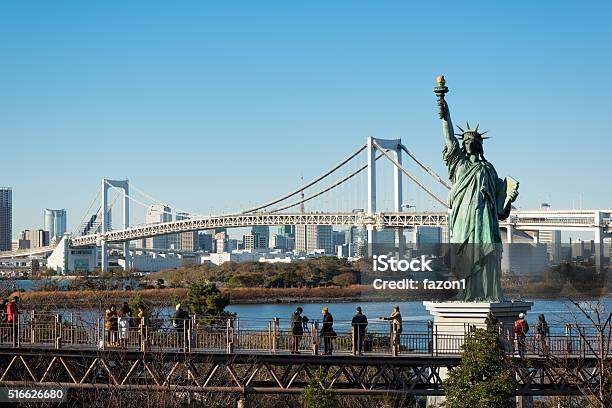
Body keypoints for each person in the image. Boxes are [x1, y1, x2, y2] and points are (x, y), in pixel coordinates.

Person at [437, 76, 519, 301]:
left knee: (486, 255)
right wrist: (444, 108)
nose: (468, 142)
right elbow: (448, 138)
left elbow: (500, 207)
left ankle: (485, 292)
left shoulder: (489, 169)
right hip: (464, 217)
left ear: (480, 145)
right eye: (465, 140)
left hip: (485, 217)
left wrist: (510, 196)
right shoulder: (459, 164)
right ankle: (467, 292)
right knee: (466, 254)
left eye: (473, 140)